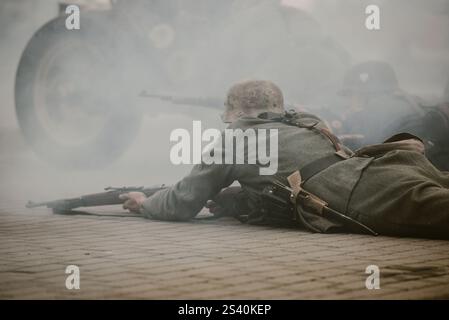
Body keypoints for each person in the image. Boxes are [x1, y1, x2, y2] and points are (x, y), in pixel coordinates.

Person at [120, 80, 449, 239]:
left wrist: (146, 203)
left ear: (236, 111)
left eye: (227, 111)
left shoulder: (235, 140)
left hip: (367, 193)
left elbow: (182, 201)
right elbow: (285, 170)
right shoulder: (306, 120)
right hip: (389, 165)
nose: (224, 118)